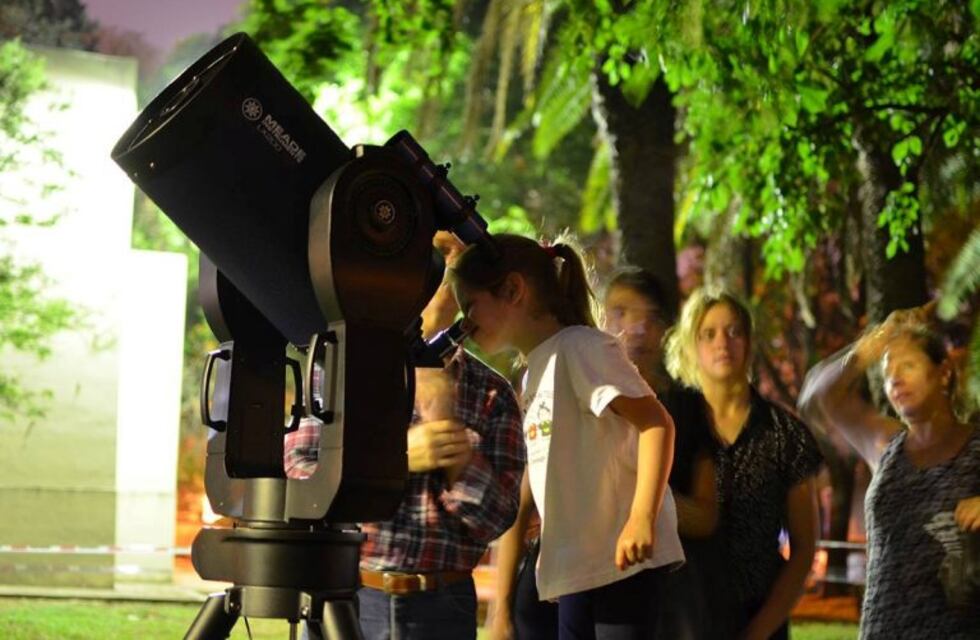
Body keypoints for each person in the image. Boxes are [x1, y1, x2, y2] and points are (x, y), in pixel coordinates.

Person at [284, 231, 526, 640]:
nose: (438, 278)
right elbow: (298, 473)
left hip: (442, 605)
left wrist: (451, 445)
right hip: (345, 596)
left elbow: (496, 518)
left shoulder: (492, 392)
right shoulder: (339, 371)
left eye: (452, 264)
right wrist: (392, 458)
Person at [451, 235, 684, 639]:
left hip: (621, 563)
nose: (464, 325)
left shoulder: (580, 347)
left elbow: (656, 424)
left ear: (513, 290)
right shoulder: (534, 372)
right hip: (578, 569)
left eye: (470, 306)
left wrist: (641, 518)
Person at [489, 267, 720, 640]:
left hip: (639, 571)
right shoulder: (555, 370)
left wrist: (637, 504)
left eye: (649, 317)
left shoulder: (685, 406)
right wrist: (501, 606)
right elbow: (528, 492)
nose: (636, 328)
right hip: (569, 567)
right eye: (621, 312)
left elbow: (706, 515)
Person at [798, 303, 980, 638]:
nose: (895, 377)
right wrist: (872, 343)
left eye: (908, 365)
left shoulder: (975, 447)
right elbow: (816, 395)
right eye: (887, 370)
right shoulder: (884, 444)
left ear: (944, 373)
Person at [664, 287, 822, 640]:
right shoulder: (671, 425)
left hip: (760, 612)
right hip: (684, 615)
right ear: (690, 345)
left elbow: (804, 548)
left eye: (734, 331)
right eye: (708, 334)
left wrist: (759, 631)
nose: (723, 342)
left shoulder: (786, 434)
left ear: (749, 343)